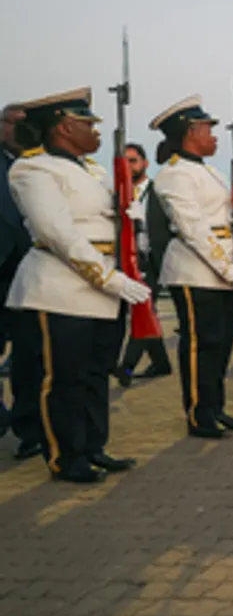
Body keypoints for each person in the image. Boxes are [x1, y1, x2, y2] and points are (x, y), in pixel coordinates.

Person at [6, 87, 148, 482]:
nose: (96, 132)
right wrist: (107, 277)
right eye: (88, 124)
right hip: (61, 285)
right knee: (64, 378)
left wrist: (128, 214)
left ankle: (92, 447)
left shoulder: (94, 171)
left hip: (104, 288)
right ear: (65, 127)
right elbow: (58, 233)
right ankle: (65, 457)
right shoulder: (33, 169)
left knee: (95, 374)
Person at [151, 95, 233, 439]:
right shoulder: (174, 175)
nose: (214, 135)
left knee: (221, 344)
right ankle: (199, 413)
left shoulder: (208, 171)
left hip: (223, 267)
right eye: (208, 129)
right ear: (189, 131)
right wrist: (228, 269)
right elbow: (192, 228)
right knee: (201, 344)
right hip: (195, 271)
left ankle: (216, 407)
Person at [114, 142, 172, 386]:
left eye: (134, 160)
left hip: (153, 259)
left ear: (145, 163)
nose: (130, 165)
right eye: (125, 161)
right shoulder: (118, 193)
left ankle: (126, 367)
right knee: (146, 310)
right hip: (127, 260)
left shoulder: (158, 191)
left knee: (143, 308)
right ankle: (161, 363)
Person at [2, 103, 38, 453]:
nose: (17, 131)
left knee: (30, 355)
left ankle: (30, 429)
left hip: (29, 273)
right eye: (11, 124)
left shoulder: (41, 164)